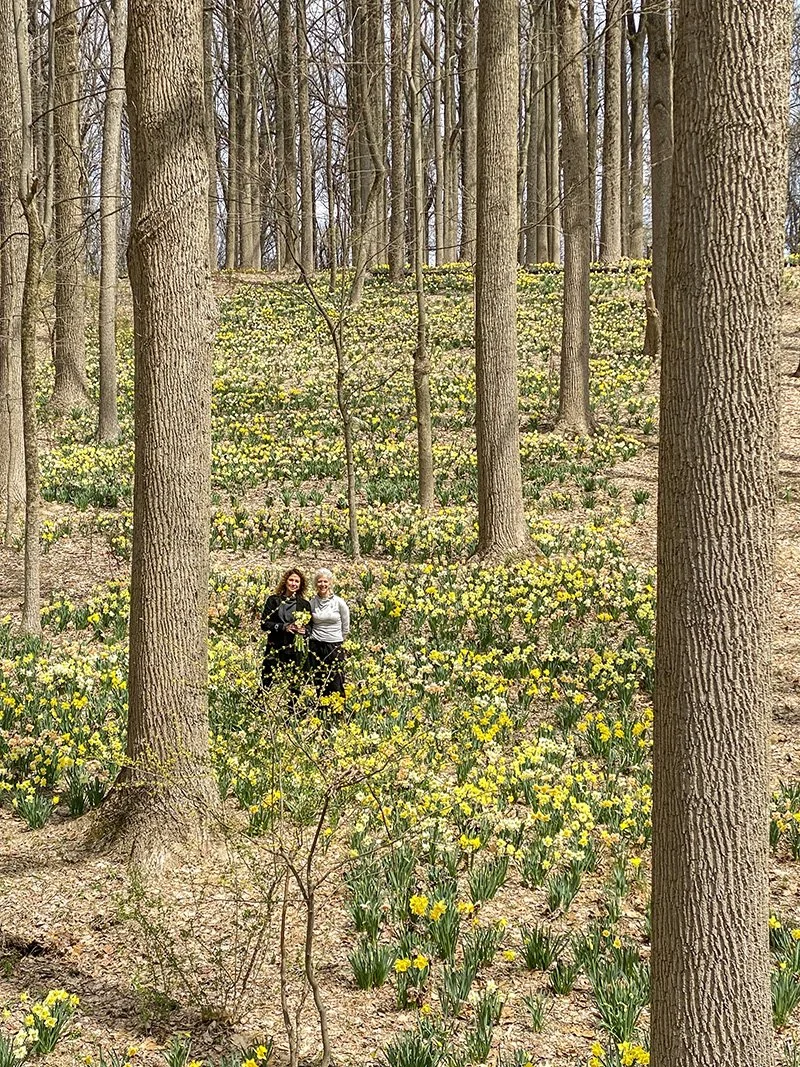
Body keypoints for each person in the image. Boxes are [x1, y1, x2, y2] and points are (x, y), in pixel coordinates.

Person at [260, 567, 312, 693]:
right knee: (267, 680)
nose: (293, 584)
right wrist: (284, 627)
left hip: (295, 649)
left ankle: (292, 711)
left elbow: (310, 626)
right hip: (275, 646)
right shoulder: (273, 600)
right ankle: (260, 707)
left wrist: (305, 631)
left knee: (295, 684)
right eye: (291, 580)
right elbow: (264, 624)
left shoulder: (304, 604)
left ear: (300, 585)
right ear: (285, 581)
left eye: (297, 582)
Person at [308, 568, 350, 700]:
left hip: (334, 645)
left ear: (330, 583)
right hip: (315, 644)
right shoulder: (312, 603)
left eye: (325, 581)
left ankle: (338, 710)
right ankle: (322, 710)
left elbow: (345, 625)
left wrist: (339, 640)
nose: (322, 585)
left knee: (336, 679)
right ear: (316, 584)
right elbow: (309, 623)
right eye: (319, 582)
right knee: (320, 679)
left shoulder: (339, 602)